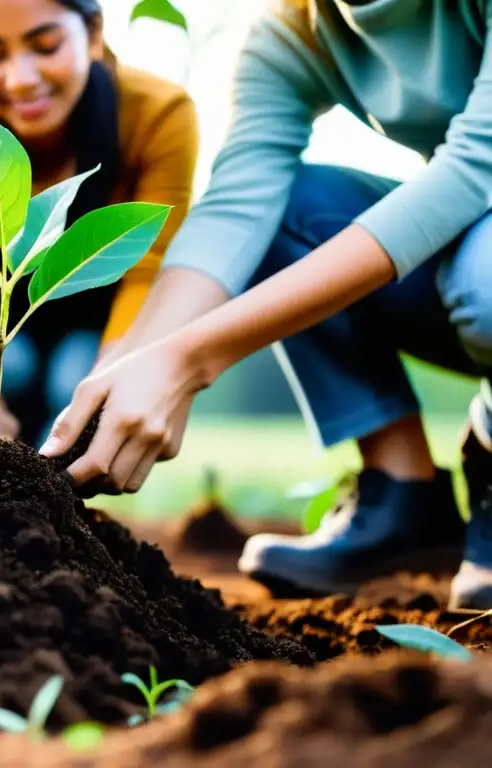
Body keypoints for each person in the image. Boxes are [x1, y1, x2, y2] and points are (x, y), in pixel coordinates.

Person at [41, 0, 492, 611]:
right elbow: (236, 207)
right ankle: (403, 493)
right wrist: (132, 360)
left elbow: (473, 171)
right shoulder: (293, 31)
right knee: (288, 212)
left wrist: (192, 360)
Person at [0, 0, 198, 465]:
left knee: (73, 375)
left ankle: (61, 509)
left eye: (46, 45)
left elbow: (150, 272)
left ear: (94, 33)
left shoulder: (155, 115)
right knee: (10, 367)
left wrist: (112, 380)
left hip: (102, 328)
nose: (20, 78)